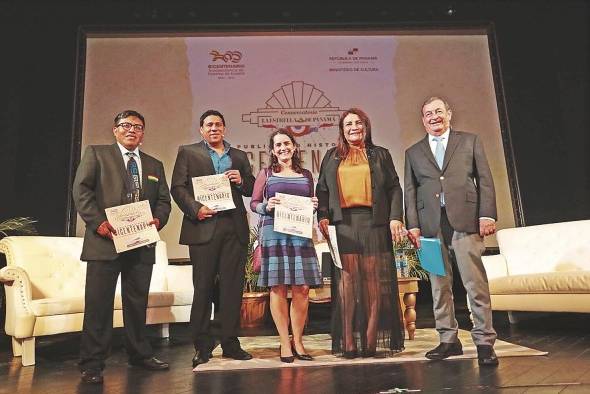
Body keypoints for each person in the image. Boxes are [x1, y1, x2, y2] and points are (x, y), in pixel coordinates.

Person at [73, 110, 172, 384]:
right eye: (126, 125)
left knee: (137, 303)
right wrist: (98, 223)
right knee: (98, 304)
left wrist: (158, 219)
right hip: (105, 242)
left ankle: (139, 353)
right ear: (115, 130)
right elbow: (81, 192)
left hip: (140, 243)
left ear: (143, 133)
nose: (132, 130)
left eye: (138, 127)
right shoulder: (97, 154)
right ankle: (92, 363)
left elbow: (164, 201)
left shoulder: (154, 164)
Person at [404, 96, 499, 366]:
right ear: (423, 120)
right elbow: (410, 192)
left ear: (449, 113)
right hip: (429, 227)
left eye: (438, 111)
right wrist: (413, 225)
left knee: (475, 284)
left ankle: (484, 342)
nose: (433, 117)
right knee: (438, 286)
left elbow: (485, 180)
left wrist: (487, 214)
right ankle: (448, 339)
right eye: (428, 114)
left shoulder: (469, 141)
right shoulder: (413, 152)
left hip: (466, 221)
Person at [316, 108, 405, 359]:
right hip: (343, 224)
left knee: (372, 283)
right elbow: (322, 189)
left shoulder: (380, 155)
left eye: (358, 123)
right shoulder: (331, 156)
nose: (353, 127)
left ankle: (370, 339)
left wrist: (395, 217)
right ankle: (347, 341)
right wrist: (322, 216)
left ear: (365, 127)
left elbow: (394, 188)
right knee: (347, 284)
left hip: (374, 223)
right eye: (348, 124)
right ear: (342, 130)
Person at [171, 109, 255, 368]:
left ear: (225, 129)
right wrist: (196, 209)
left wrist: (242, 180)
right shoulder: (189, 152)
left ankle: (230, 342)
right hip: (203, 225)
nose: (214, 128)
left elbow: (251, 189)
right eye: (209, 125)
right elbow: (178, 187)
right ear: (201, 130)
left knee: (231, 289)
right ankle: (202, 344)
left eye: (218, 124)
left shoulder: (239, 156)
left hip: (234, 227)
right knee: (204, 287)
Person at [250, 129, 323, 363]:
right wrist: (266, 205)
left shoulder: (306, 175)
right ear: (272, 150)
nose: (283, 148)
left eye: (286, 143)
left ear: (294, 146)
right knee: (278, 288)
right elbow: (253, 203)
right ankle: (284, 341)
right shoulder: (266, 174)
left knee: (302, 289)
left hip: (300, 235)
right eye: (278, 145)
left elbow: (310, 204)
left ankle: (298, 340)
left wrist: (313, 204)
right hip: (274, 234)